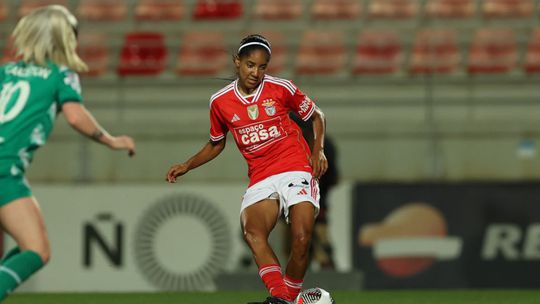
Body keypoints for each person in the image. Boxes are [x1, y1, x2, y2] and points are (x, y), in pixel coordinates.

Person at [166, 34, 327, 304]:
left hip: (295, 166)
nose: (256, 72)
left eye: (262, 67)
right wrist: (187, 165)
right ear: (237, 62)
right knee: (253, 232)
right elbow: (216, 144)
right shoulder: (220, 102)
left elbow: (316, 115)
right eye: (250, 65)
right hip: (261, 174)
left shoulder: (281, 88)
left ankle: (285, 300)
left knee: (301, 238)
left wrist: (318, 149)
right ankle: (288, 300)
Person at [0, 5, 135, 301]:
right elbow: (75, 117)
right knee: (36, 250)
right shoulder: (61, 75)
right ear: (62, 39)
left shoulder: (5, 72)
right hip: (5, 171)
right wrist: (111, 141)